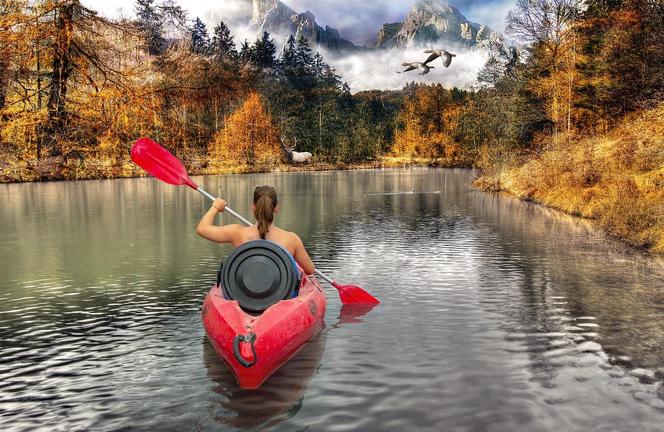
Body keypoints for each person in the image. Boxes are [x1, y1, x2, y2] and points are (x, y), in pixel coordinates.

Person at [196, 185, 315, 275]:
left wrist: (215, 206)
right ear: (276, 208)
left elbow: (202, 229)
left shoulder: (237, 233)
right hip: (279, 297)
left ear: (253, 206)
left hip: (247, 296)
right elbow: (310, 270)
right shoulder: (291, 239)